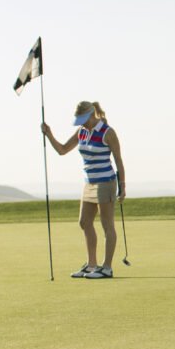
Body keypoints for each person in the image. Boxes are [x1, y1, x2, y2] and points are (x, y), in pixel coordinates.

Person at [42, 101, 126, 279]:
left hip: (106, 182)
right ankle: (91, 264)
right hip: (89, 183)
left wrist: (122, 186)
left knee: (107, 225)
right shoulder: (81, 131)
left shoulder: (107, 132)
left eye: (83, 119)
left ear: (91, 115)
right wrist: (48, 134)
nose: (81, 123)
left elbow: (118, 160)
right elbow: (62, 150)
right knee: (84, 222)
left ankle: (107, 268)